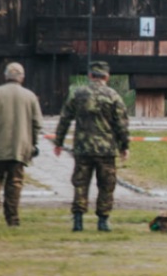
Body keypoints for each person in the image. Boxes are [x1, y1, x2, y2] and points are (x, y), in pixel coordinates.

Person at [54, 60, 130, 233]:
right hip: (106, 149)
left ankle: (78, 220)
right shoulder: (113, 96)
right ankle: (103, 221)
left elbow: (65, 118)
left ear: (90, 75)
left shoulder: (78, 94)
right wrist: (124, 145)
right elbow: (121, 124)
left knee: (80, 183)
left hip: (83, 148)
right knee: (106, 185)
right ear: (107, 76)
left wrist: (59, 142)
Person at [0, 62, 43, 227]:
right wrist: (34, 144)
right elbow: (37, 123)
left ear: (5, 76)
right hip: (20, 147)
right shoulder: (30, 96)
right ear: (22, 78)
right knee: (15, 182)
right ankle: (12, 218)